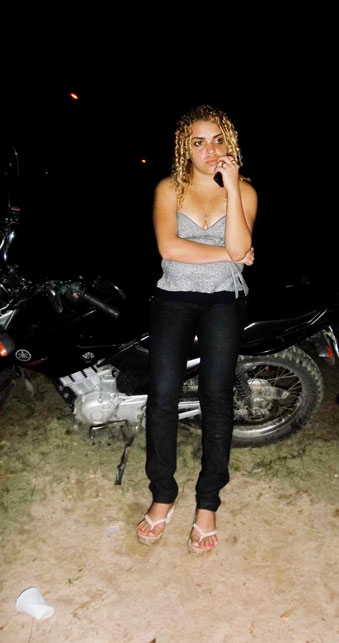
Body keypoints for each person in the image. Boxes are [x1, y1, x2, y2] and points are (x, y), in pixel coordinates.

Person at [136, 105, 257, 554]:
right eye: (198, 142)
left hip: (224, 299)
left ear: (230, 143)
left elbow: (241, 242)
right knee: (163, 394)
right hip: (173, 296)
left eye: (218, 140)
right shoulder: (169, 188)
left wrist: (233, 187)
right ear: (184, 148)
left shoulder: (245, 191)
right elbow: (169, 248)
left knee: (216, 396)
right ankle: (163, 494)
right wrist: (229, 255)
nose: (210, 150)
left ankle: (208, 503)